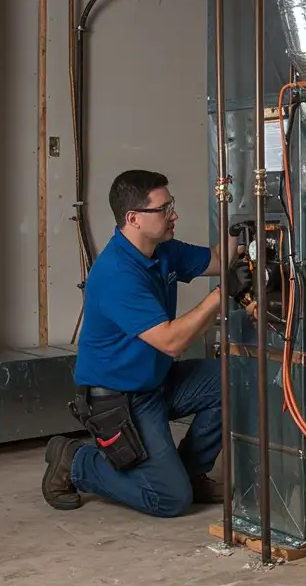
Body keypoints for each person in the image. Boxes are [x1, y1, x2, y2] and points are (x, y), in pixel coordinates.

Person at [41, 169, 248, 517]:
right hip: (120, 399)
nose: (174, 215)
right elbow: (171, 341)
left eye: (172, 206)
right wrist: (222, 293)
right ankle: (77, 461)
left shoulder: (161, 250)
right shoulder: (117, 274)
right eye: (164, 209)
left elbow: (215, 257)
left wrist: (246, 236)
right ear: (133, 218)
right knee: (168, 500)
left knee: (235, 378)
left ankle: (190, 471)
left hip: (157, 382)